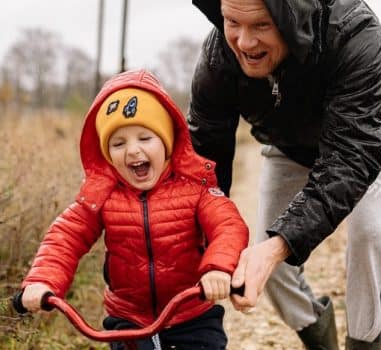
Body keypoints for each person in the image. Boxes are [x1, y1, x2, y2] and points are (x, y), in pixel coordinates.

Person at [188, 0, 381, 348]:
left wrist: (279, 246)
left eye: (260, 26)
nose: (244, 42)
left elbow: (351, 158)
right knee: (266, 261)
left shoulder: (353, 30)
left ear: (289, 18)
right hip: (289, 145)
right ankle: (318, 336)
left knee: (370, 233)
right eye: (232, 22)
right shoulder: (218, 57)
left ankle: (365, 343)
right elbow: (204, 165)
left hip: (370, 139)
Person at [18, 69, 249, 350]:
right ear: (107, 154)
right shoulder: (102, 195)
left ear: (166, 141)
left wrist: (217, 269)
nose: (132, 151)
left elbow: (229, 226)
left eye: (145, 138)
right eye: (118, 143)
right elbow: (65, 237)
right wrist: (42, 281)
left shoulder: (195, 188)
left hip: (191, 312)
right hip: (127, 319)